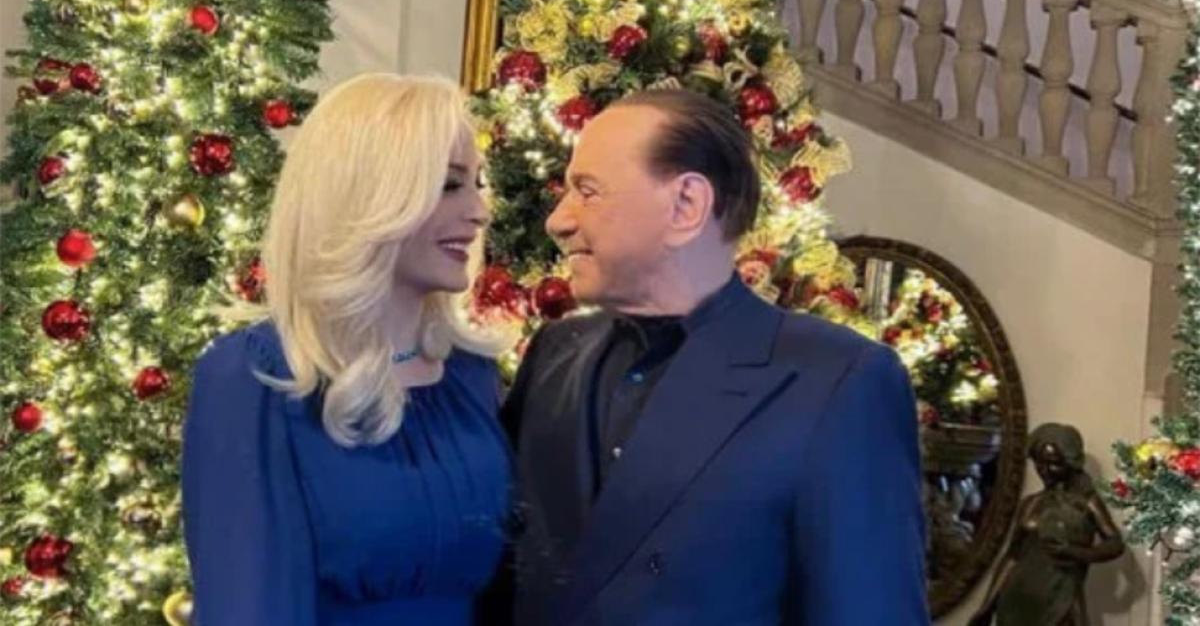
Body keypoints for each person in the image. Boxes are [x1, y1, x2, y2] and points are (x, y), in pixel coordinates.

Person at [498, 89, 929, 625]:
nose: (558, 221)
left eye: (587, 191)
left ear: (686, 206)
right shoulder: (554, 354)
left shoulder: (838, 381)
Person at [182, 73, 512, 626]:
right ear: (369, 195)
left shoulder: (470, 375)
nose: (480, 211)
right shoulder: (255, 375)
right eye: (449, 185)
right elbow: (247, 603)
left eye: (478, 183)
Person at [968, 423, 1125, 626]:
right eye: (1039, 464)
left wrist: (1077, 553)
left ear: (1070, 462)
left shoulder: (1086, 502)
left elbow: (1115, 544)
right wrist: (987, 605)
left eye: (1053, 464)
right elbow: (1012, 557)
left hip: (1061, 598)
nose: (1045, 471)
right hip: (1016, 602)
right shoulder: (1030, 503)